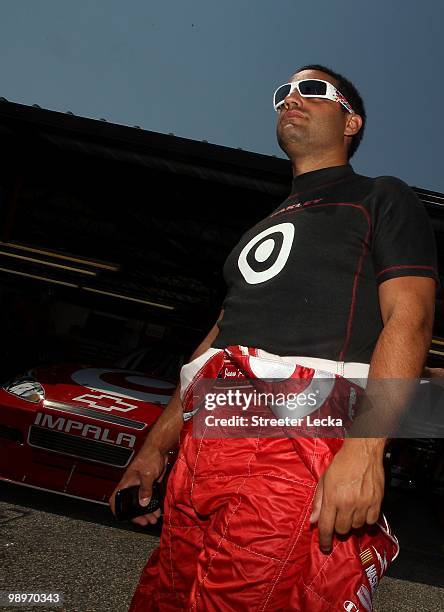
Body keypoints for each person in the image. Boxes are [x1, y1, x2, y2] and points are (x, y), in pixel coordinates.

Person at [110, 64, 437, 611]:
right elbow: (217, 340)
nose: (291, 98)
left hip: (299, 435)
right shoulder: (261, 227)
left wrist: (366, 448)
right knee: (163, 599)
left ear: (351, 120)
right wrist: (154, 449)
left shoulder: (381, 196)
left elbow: (411, 319)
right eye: (283, 92)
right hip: (211, 432)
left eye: (312, 90)